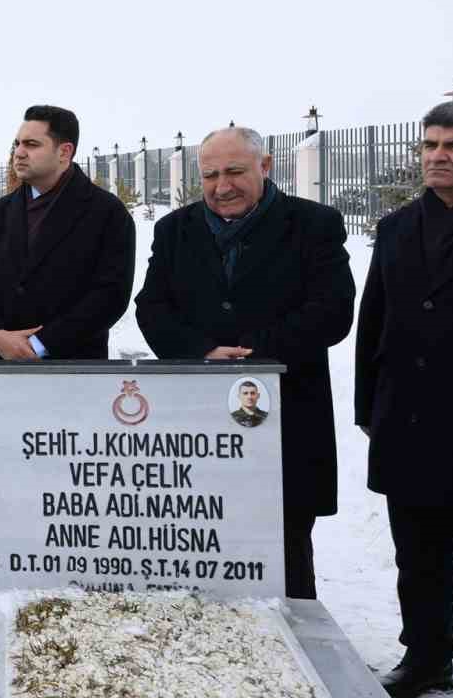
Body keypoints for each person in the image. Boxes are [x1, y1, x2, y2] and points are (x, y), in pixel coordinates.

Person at [136, 126, 354, 600]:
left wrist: (255, 352)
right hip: (199, 421)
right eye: (210, 174)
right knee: (205, 537)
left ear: (266, 166)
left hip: (290, 415)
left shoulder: (314, 224)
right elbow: (151, 307)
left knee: (287, 542)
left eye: (235, 171)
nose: (222, 186)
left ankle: (298, 640)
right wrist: (201, 351)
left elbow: (333, 311)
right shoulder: (174, 230)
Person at [356, 100, 453, 698]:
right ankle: (426, 656)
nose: (437, 156)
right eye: (430, 145)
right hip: (406, 417)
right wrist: (368, 404)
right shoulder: (399, 226)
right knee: (419, 552)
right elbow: (374, 315)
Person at [0, 105, 135, 482]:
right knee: (15, 487)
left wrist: (41, 345)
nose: (19, 152)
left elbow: (110, 295)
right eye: (17, 143)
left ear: (65, 152)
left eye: (31, 143)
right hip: (5, 372)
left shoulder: (106, 213)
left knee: (70, 489)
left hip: (72, 372)